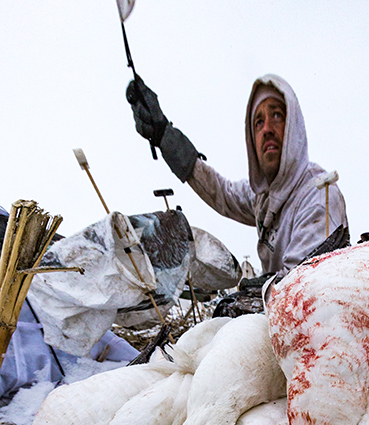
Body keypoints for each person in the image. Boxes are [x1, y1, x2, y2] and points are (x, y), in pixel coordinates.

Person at [126, 74, 349, 276]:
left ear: (294, 126)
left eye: (277, 115)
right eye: (258, 122)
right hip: (278, 309)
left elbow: (300, 288)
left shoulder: (318, 196)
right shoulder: (263, 197)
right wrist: (165, 136)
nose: (267, 129)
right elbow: (221, 192)